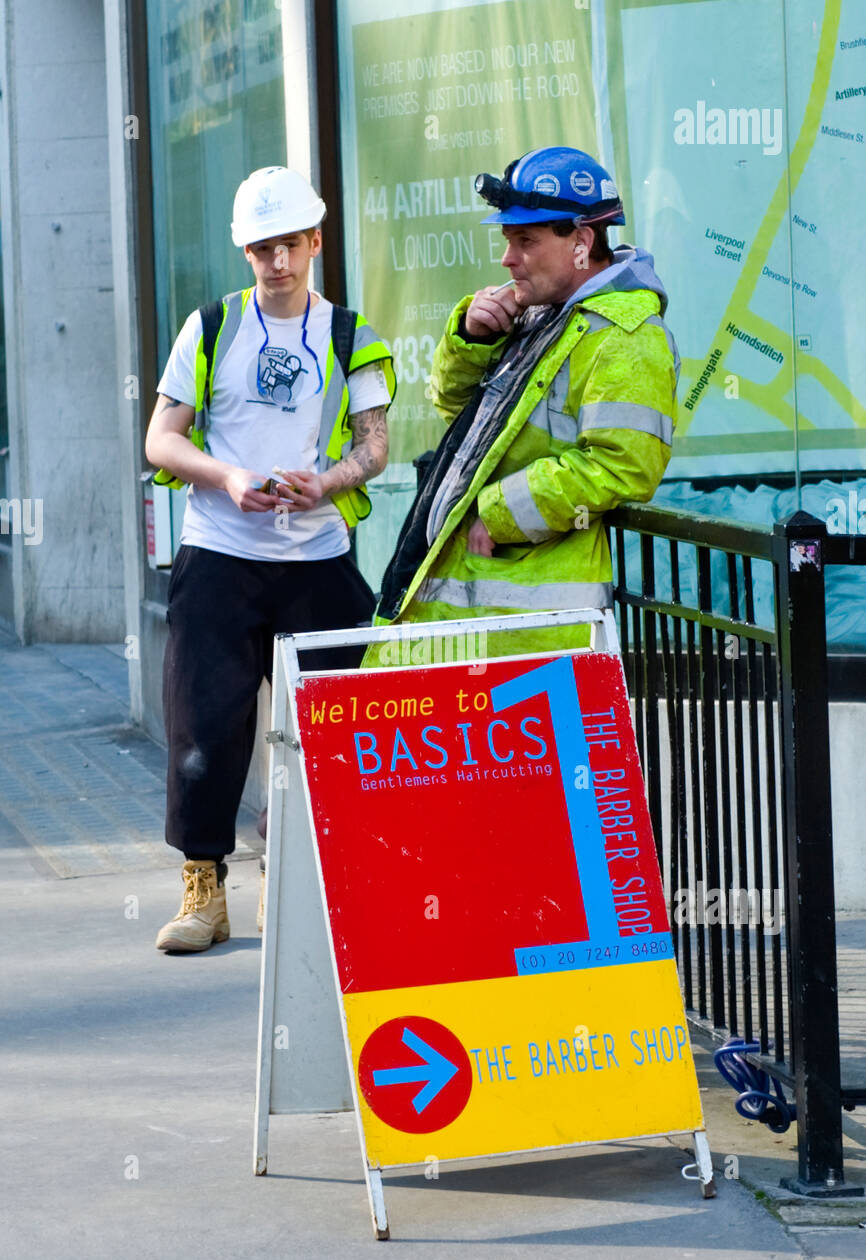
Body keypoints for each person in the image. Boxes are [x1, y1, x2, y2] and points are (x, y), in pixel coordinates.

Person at [145, 166, 394, 953]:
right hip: (219, 554)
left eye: (289, 245)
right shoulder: (211, 326)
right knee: (202, 728)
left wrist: (328, 482)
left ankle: (296, 890)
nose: (277, 262)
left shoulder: (352, 335)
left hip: (317, 558)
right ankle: (204, 894)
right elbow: (160, 438)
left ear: (315, 242)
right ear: (245, 252)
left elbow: (376, 446)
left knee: (334, 732)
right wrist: (228, 476)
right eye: (262, 249)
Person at [368, 145, 679, 662]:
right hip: (479, 626)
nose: (507, 258)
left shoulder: (629, 336)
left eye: (526, 240)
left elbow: (624, 465)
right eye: (508, 239)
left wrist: (498, 513)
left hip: (533, 639)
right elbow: (456, 416)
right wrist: (473, 338)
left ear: (581, 242)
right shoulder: (544, 314)